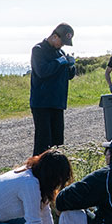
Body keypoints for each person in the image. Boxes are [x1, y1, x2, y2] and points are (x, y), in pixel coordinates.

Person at [30, 23, 77, 156]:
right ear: (55, 36)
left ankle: (56, 173)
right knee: (43, 142)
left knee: (58, 143)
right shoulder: (38, 49)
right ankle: (38, 171)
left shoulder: (60, 52)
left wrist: (71, 66)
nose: (62, 45)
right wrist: (59, 62)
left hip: (57, 102)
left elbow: (68, 76)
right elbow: (42, 71)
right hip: (42, 103)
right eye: (62, 42)